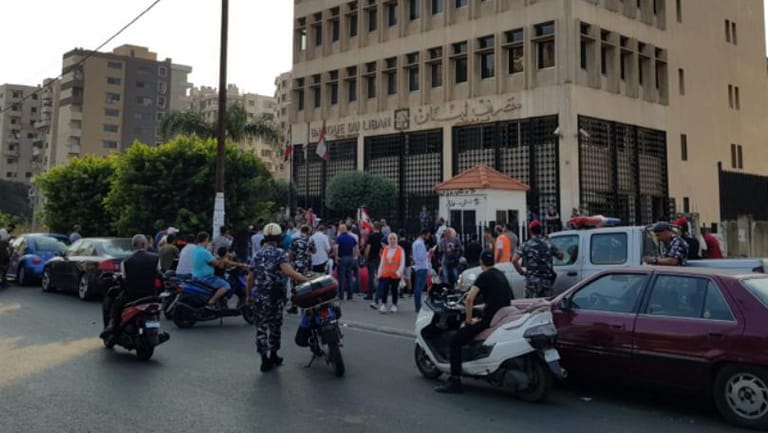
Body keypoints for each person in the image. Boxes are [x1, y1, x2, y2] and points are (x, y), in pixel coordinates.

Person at [435, 249, 512, 394]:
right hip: (501, 316)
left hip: (489, 319)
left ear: (481, 261)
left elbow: (470, 299)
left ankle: (455, 380)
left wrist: (469, 320)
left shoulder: (484, 276)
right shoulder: (500, 274)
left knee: (455, 341)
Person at [246, 223, 310, 372]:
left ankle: (264, 359)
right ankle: (274, 354)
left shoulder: (257, 255)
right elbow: (289, 272)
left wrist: (248, 295)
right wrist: (306, 280)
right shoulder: (280, 253)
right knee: (275, 327)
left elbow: (250, 278)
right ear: (279, 237)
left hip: (260, 297)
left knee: (261, 328)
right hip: (274, 297)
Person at [100, 235, 159, 338]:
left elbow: (124, 278)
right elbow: (159, 273)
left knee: (117, 306)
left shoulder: (126, 261)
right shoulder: (155, 258)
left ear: (133, 246)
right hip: (151, 294)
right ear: (145, 244)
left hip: (131, 296)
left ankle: (113, 326)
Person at [513, 220, 564, 299]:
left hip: (531, 283)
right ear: (540, 230)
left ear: (530, 231)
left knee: (530, 307)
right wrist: (550, 242)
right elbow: (561, 256)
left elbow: (514, 260)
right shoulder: (548, 244)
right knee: (545, 307)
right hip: (546, 283)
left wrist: (521, 272)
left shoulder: (526, 245)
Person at [191, 232, 242, 309]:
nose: (208, 242)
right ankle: (211, 302)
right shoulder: (204, 252)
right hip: (205, 277)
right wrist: (224, 260)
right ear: (206, 239)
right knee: (226, 285)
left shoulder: (195, 250)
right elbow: (217, 264)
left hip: (196, 276)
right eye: (208, 240)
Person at [375, 232, 405, 313]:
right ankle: (384, 304)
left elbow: (402, 263)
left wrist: (399, 272)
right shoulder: (386, 249)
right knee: (385, 289)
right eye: (391, 239)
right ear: (388, 240)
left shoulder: (400, 250)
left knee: (394, 290)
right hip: (386, 273)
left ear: (397, 240)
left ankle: (394, 304)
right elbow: (382, 262)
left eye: (394, 238)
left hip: (395, 275)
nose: (392, 240)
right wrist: (379, 272)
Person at [334, 223, 359, 300]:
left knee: (341, 277)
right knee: (349, 277)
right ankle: (350, 295)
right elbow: (355, 248)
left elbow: (336, 247)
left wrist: (336, 257)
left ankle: (341, 295)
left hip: (342, 258)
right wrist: (354, 256)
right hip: (350, 258)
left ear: (341, 230)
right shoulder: (351, 238)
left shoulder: (339, 238)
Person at [412, 229, 432, 313]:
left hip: (419, 267)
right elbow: (421, 256)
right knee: (419, 287)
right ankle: (418, 306)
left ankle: (417, 305)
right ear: (423, 235)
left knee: (418, 287)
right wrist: (428, 253)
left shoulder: (416, 243)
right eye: (427, 235)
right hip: (422, 267)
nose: (428, 237)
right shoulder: (420, 243)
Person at [364, 222, 384, 301]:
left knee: (371, 277)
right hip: (379, 258)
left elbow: (368, 247)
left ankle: (370, 294)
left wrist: (366, 257)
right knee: (380, 277)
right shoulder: (382, 236)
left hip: (371, 258)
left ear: (374, 227)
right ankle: (380, 294)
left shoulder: (371, 236)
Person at [398, 229, 413, 296]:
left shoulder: (398, 243)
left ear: (399, 235)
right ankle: (410, 291)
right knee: (408, 277)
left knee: (401, 277)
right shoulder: (409, 243)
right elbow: (410, 253)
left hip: (400, 262)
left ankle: (401, 291)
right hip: (407, 261)